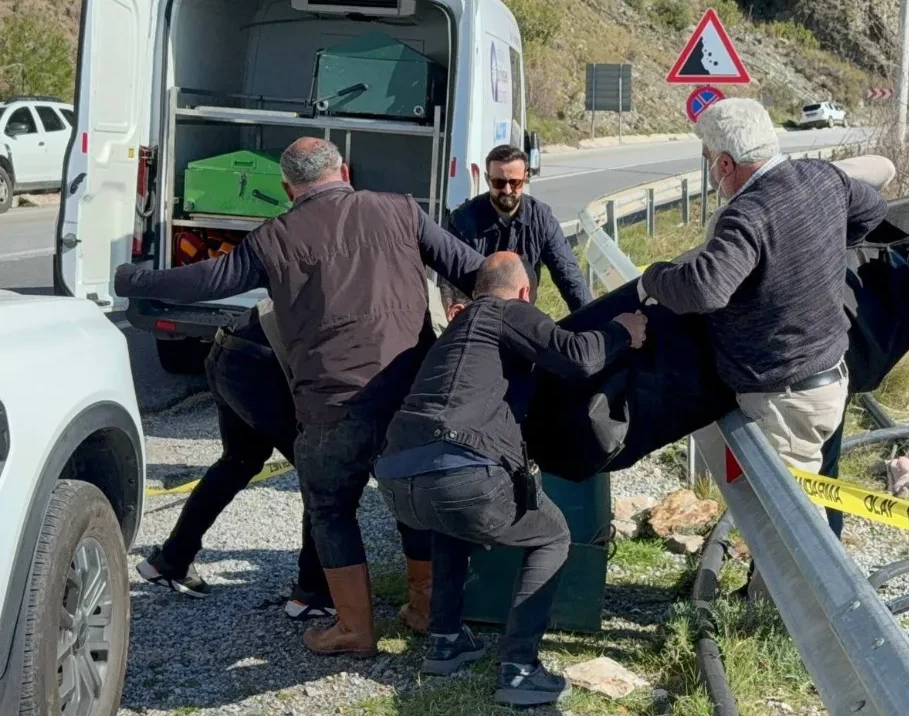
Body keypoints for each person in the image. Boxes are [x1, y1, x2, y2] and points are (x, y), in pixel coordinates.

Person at [114, 137, 486, 657]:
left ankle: (354, 630)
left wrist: (134, 279)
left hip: (332, 402)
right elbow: (475, 270)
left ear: (287, 188)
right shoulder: (401, 210)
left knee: (332, 508)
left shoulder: (275, 237)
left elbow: (204, 280)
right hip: (409, 396)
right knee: (413, 503)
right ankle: (424, 610)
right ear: (345, 170)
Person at [374, 252, 647, 707]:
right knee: (552, 535)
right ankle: (520, 669)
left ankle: (445, 641)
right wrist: (623, 331)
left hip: (397, 480)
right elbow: (577, 357)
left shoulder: (456, 330)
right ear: (524, 293)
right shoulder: (506, 311)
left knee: (449, 523)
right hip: (461, 472)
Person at [639, 97, 886, 476]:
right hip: (830, 374)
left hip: (784, 401)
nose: (709, 170)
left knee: (787, 525)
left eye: (708, 159)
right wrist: (824, 248)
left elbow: (705, 289)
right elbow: (873, 210)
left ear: (725, 164)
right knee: (814, 493)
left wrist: (653, 277)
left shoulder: (746, 215)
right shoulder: (822, 177)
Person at [136, 301, 333, 620]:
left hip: (231, 346)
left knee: (241, 459)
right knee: (322, 475)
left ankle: (170, 560)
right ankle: (313, 593)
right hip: (262, 362)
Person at [447, 145, 592, 312]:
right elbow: (453, 281)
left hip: (522, 316)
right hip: (477, 314)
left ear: (525, 178)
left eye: (514, 182)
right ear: (488, 180)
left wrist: (590, 323)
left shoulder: (541, 218)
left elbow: (569, 276)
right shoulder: (464, 219)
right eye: (499, 182)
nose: (507, 190)